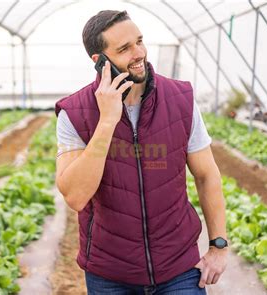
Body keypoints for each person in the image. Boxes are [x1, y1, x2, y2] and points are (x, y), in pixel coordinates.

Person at [54, 10, 228, 295]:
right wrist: (107, 120)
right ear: (99, 62)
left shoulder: (180, 99)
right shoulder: (75, 113)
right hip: (109, 275)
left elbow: (207, 175)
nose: (139, 53)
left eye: (139, 41)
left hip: (179, 269)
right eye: (124, 49)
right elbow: (75, 195)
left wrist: (218, 245)